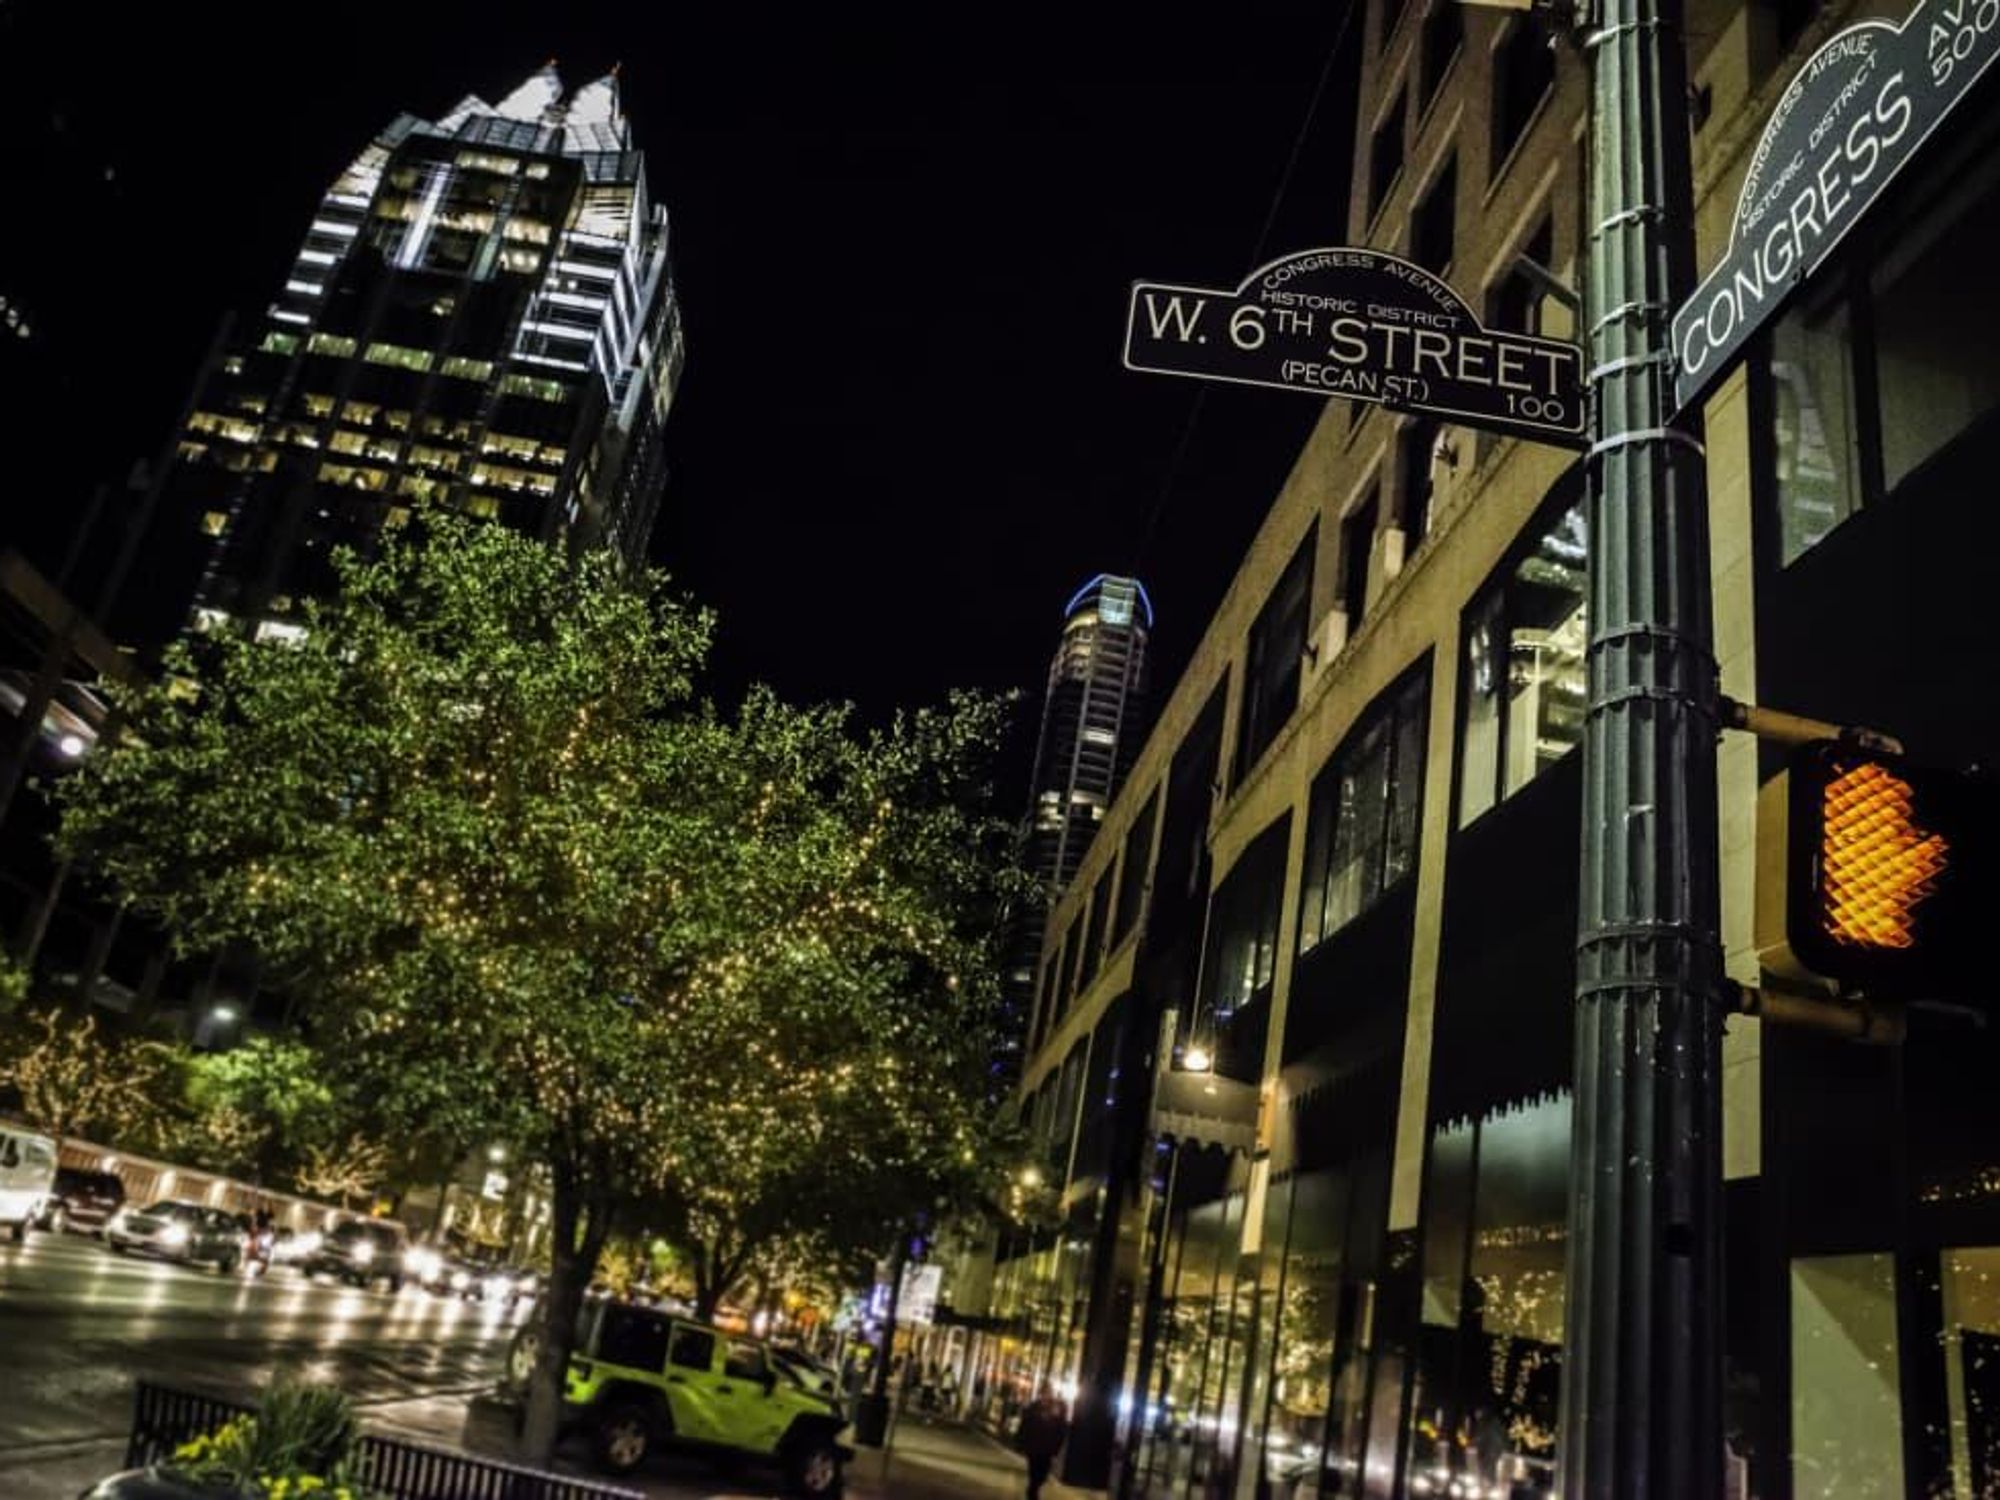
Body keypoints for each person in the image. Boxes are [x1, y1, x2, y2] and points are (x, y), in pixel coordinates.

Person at [1016, 1381, 1069, 1500]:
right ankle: (1033, 1493)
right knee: (1034, 1471)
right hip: (1034, 1447)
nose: (1046, 1395)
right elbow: (1025, 1425)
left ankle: (1032, 1489)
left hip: (1047, 1448)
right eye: (1044, 1393)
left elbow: (1061, 1428)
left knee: (1043, 1474)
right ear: (1041, 1394)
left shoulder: (1056, 1408)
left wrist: (1057, 1447)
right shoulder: (1033, 1407)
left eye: (1048, 1393)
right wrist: (1021, 1443)